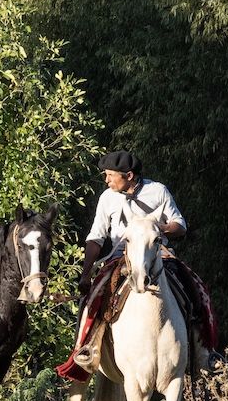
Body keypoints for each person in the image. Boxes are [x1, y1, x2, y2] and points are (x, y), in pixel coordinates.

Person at [62, 149, 218, 377]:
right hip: (120, 257)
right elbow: (96, 237)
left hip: (158, 254)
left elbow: (180, 225)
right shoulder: (107, 198)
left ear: (129, 175)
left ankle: (206, 351)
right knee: (94, 296)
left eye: (110, 175)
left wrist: (158, 229)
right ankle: (87, 347)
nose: (106, 180)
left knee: (196, 288)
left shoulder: (158, 191)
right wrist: (86, 273)